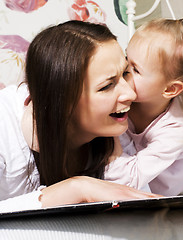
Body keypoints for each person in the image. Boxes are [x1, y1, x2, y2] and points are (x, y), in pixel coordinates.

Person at [0, 20, 158, 213]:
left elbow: (140, 208)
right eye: (107, 86)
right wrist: (77, 189)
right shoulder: (4, 127)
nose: (131, 95)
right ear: (62, 100)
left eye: (125, 73)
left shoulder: (118, 126)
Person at [105, 17, 183, 196]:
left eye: (135, 69)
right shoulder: (127, 98)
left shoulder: (178, 128)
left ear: (170, 89)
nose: (124, 69)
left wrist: (113, 138)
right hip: (159, 147)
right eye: (127, 58)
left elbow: (131, 177)